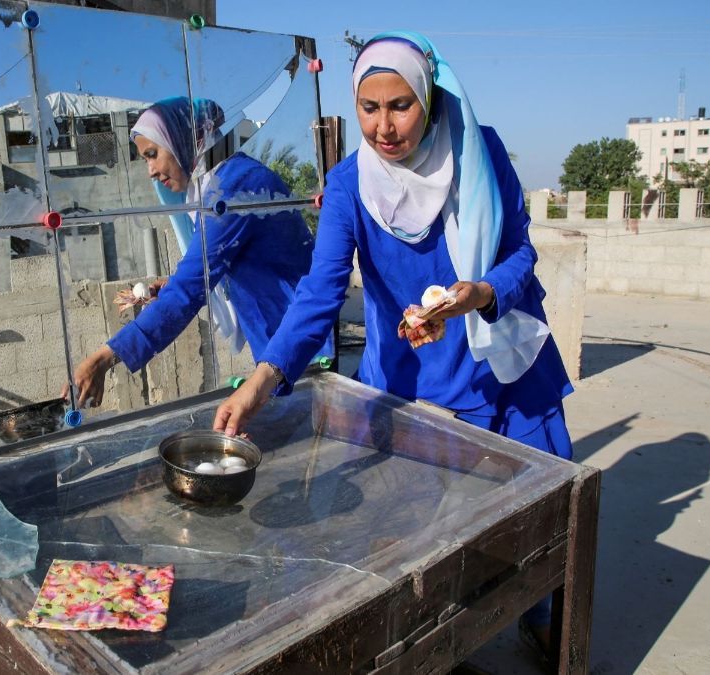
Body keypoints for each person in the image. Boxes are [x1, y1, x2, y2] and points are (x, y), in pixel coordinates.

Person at [211, 32, 573, 661]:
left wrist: (480, 294)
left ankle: (541, 620)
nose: (384, 127)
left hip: (500, 369)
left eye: (401, 105)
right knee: (427, 538)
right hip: (410, 380)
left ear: (429, 100)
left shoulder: (478, 153)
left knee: (538, 523)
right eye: (369, 108)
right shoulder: (349, 185)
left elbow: (520, 250)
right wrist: (263, 379)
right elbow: (320, 294)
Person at [67, 97, 331, 407]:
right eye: (145, 160)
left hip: (306, 348)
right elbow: (228, 265)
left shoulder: (230, 190)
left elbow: (189, 292)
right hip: (284, 345)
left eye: (153, 155)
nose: (150, 171)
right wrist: (171, 284)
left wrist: (104, 358)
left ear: (184, 139)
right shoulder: (219, 181)